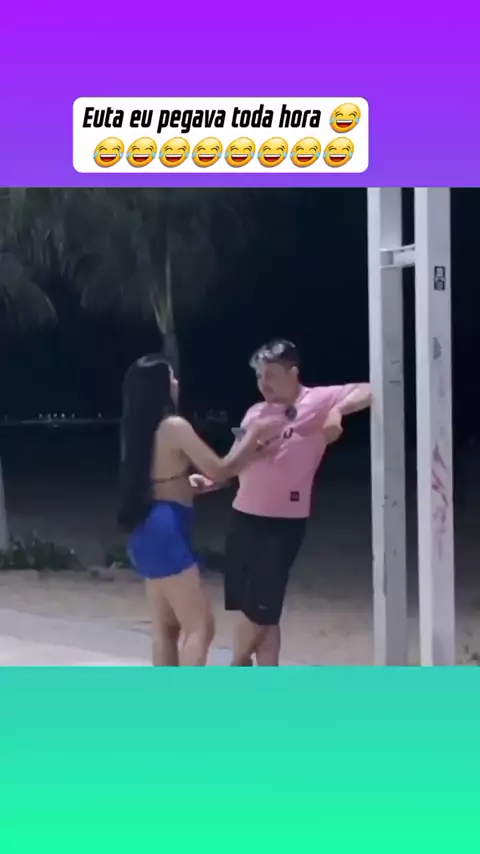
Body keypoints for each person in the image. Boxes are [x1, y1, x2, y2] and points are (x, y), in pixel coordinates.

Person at [118, 353, 285, 667]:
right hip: (166, 532)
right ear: (160, 387)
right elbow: (219, 468)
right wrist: (252, 437)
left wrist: (192, 484)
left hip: (144, 529)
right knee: (201, 628)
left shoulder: (138, 430)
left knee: (166, 630)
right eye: (171, 377)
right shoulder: (174, 426)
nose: (176, 382)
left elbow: (158, 480)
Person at [223, 339, 372, 666]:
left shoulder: (316, 400)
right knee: (260, 609)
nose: (264, 384)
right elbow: (235, 461)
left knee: (260, 607)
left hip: (282, 522)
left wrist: (336, 411)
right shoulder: (255, 412)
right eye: (259, 376)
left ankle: (236, 665)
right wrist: (209, 480)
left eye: (271, 375)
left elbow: (369, 390)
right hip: (242, 515)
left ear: (293, 373)